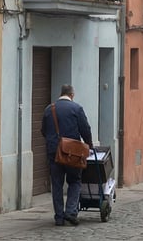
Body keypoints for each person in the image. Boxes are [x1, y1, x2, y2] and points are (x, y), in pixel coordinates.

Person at [41, 84, 93, 226]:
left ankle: (59, 217)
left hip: (54, 152)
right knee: (75, 181)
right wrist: (89, 145)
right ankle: (70, 212)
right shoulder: (76, 109)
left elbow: (43, 131)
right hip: (72, 153)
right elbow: (85, 129)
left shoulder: (49, 109)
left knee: (56, 184)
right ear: (72, 95)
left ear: (61, 94)